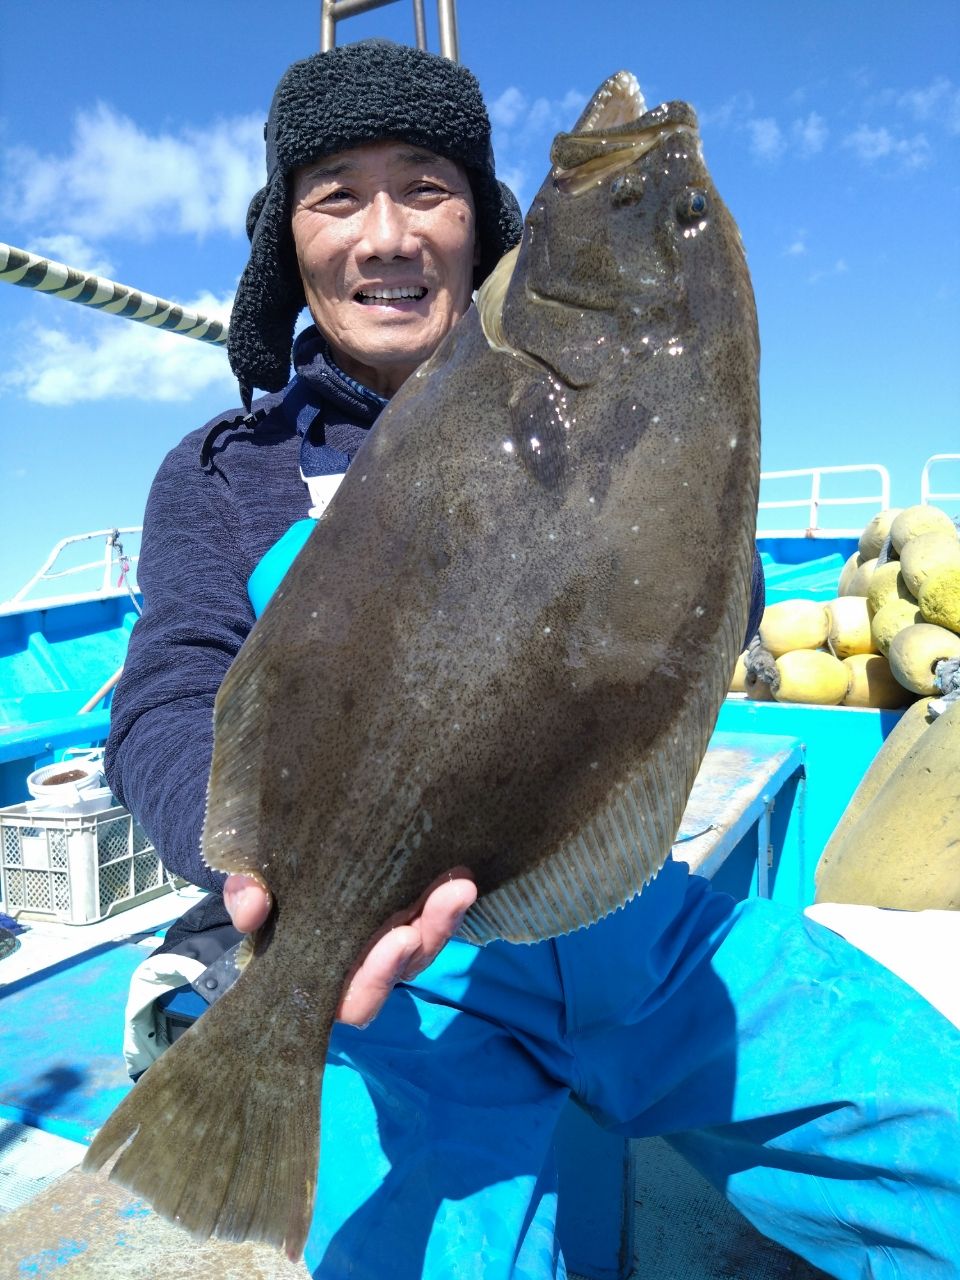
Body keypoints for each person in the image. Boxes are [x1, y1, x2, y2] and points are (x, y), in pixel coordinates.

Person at [106, 39, 960, 1280]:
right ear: (286, 237)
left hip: (645, 935)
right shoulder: (226, 474)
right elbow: (170, 694)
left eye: (428, 188)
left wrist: (692, 475)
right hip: (394, 994)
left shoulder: (628, 385)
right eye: (338, 195)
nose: (387, 235)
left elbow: (702, 630)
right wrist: (261, 878)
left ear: (485, 222)